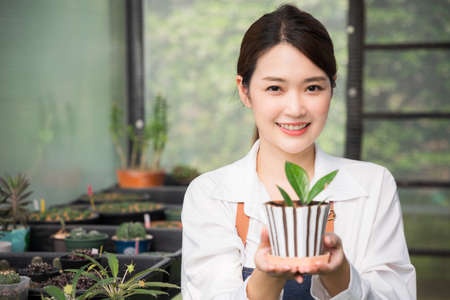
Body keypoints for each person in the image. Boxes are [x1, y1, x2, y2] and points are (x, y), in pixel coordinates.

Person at [181, 4, 416, 300]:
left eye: (313, 88)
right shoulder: (210, 195)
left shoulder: (373, 186)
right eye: (275, 89)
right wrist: (267, 277)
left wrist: (340, 276)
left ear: (332, 87)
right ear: (244, 90)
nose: (295, 109)